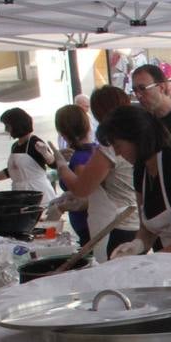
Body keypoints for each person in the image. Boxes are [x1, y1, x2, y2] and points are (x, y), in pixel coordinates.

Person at [98, 106, 171, 283]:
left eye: (118, 145)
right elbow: (147, 229)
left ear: (136, 138)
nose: (117, 153)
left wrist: (148, 261)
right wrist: (136, 246)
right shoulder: (141, 170)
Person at [53, 86, 139, 258]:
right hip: (129, 218)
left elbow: (82, 189)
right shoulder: (133, 135)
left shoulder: (111, 145)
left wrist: (61, 165)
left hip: (117, 223)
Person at [0, 107, 57, 205]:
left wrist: (45, 153)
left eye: (8, 126)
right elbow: (10, 171)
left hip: (39, 193)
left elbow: (54, 164)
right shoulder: (15, 146)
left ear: (17, 126)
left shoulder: (35, 143)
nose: (6, 129)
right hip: (19, 193)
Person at [52, 103, 96, 243]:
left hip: (87, 222)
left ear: (62, 132)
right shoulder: (87, 151)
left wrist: (60, 207)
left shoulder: (80, 157)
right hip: (85, 222)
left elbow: (83, 194)